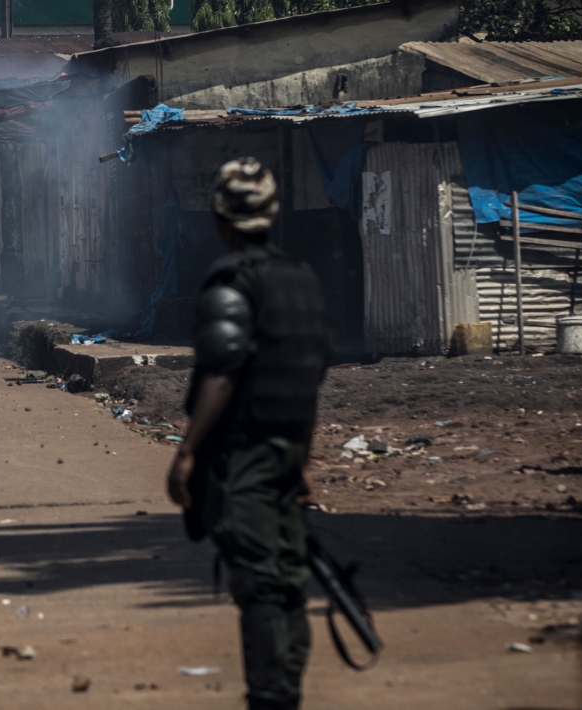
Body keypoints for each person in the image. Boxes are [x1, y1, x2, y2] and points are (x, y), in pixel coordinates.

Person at [167, 158, 330, 710]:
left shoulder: (232, 281)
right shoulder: (302, 281)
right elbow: (306, 377)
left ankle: (271, 696)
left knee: (261, 582)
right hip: (288, 448)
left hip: (247, 455)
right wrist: (303, 458)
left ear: (219, 218)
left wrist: (187, 453)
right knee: (287, 579)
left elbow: (222, 371)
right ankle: (285, 690)